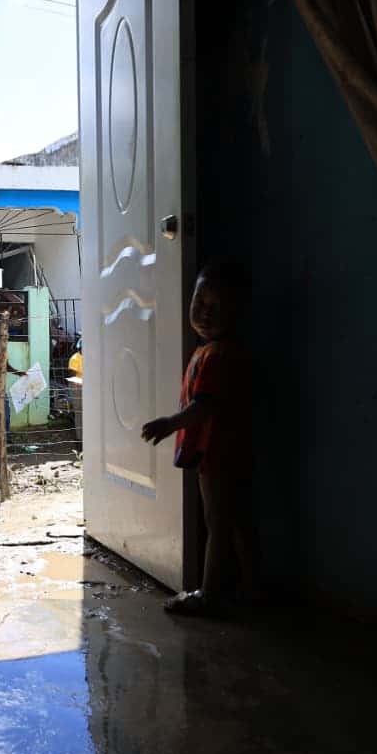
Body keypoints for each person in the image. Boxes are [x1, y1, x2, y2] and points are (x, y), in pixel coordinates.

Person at [141, 260, 256, 616]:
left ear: (237, 311)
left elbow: (205, 406)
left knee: (217, 522)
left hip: (218, 452)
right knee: (232, 519)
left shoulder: (218, 355)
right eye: (200, 302)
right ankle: (252, 588)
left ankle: (210, 594)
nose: (205, 313)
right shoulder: (212, 350)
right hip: (226, 450)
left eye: (217, 307)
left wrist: (170, 423)